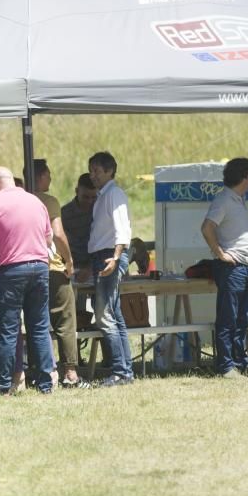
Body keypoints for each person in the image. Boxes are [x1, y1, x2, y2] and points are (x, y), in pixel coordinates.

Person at [0, 166, 55, 394]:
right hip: (40, 267)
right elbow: (49, 237)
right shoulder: (36, 202)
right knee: (40, 327)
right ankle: (45, 383)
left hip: (10, 271)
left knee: (8, 330)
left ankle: (2, 384)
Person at [30, 159, 86, 389]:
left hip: (27, 267)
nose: (51, 178)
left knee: (36, 322)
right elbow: (58, 234)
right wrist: (69, 260)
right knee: (65, 320)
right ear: (41, 177)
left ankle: (40, 370)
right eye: (49, 174)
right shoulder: (48, 201)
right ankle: (70, 372)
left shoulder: (18, 200)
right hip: (52, 267)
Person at [201, 157, 248, 378]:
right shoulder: (224, 199)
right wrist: (221, 253)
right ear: (243, 176)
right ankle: (226, 366)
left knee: (241, 319)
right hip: (233, 268)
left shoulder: (236, 199)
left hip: (245, 267)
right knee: (228, 318)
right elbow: (207, 228)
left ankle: (240, 362)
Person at [88, 152, 134, 387]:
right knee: (115, 315)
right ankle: (125, 370)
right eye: (91, 170)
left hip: (109, 255)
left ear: (109, 171)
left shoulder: (114, 194)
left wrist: (115, 257)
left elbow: (122, 229)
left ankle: (120, 371)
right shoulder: (103, 196)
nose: (93, 175)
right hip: (103, 255)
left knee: (104, 316)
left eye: (97, 170)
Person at [61, 173, 97, 279]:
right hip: (72, 267)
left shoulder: (100, 210)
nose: (90, 201)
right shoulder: (64, 214)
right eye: (85, 197)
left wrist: (90, 268)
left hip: (95, 265)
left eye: (94, 197)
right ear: (77, 192)